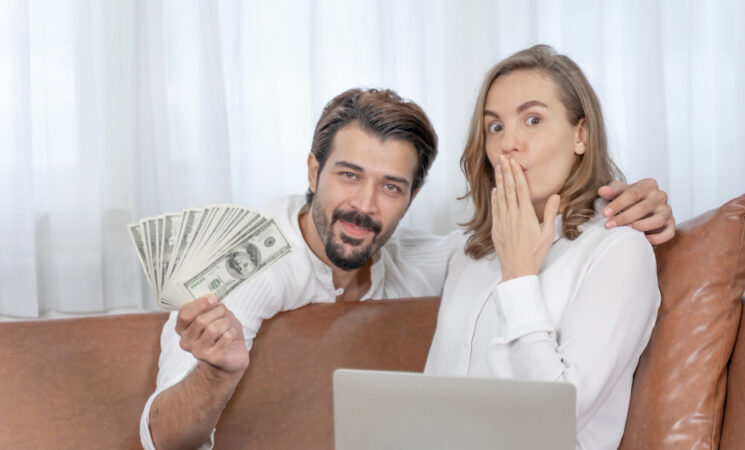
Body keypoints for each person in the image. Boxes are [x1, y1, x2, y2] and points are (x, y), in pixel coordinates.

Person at [142, 87, 673, 449]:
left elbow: (519, 249)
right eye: (349, 175)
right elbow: (159, 437)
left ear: (413, 195)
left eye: (391, 187)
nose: (365, 205)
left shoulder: (430, 263)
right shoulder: (245, 269)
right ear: (313, 169)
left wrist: (626, 200)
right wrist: (215, 370)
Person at [424, 45, 661, 449]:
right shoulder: (472, 251)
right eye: (494, 127)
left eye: (532, 120)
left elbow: (558, 417)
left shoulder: (618, 251)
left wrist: (519, 277)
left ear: (580, 135)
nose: (508, 143)